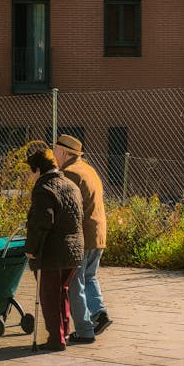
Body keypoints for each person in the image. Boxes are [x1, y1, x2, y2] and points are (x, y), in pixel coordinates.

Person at [23, 141, 84, 351]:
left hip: (52, 252)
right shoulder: (70, 184)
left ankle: (55, 339)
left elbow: (41, 222)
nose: (31, 177)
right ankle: (63, 332)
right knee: (62, 292)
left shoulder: (44, 188)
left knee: (49, 297)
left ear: (38, 169)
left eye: (32, 172)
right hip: (74, 250)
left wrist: (31, 249)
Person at [53, 134, 112, 344]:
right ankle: (99, 313)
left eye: (55, 150)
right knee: (90, 277)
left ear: (63, 153)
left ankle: (85, 331)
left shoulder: (69, 173)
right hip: (98, 233)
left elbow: (66, 208)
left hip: (82, 236)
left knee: (75, 283)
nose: (53, 155)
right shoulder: (88, 169)